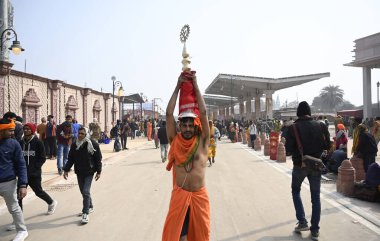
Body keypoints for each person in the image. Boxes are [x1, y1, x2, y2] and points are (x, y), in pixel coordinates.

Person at [162, 73, 210, 241]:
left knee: (199, 237)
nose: (188, 128)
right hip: (180, 196)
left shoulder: (203, 142)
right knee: (180, 238)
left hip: (199, 197)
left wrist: (195, 84)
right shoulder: (175, 141)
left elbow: (203, 113)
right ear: (180, 126)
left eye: (191, 125)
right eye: (185, 125)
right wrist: (177, 86)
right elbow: (168, 114)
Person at [285, 101, 330, 241]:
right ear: (309, 112)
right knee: (315, 197)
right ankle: (315, 229)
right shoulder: (321, 125)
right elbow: (327, 145)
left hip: (300, 165)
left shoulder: (293, 128)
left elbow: (288, 150)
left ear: (298, 113)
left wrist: (299, 151)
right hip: (316, 165)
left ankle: (302, 221)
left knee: (295, 191)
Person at [63, 127, 102, 224]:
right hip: (79, 172)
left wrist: (99, 171)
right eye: (79, 133)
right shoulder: (74, 144)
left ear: (86, 134)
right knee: (83, 192)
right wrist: (66, 169)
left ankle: (85, 213)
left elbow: (98, 159)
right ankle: (90, 206)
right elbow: (71, 158)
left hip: (89, 171)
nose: (80, 135)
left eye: (82, 134)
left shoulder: (93, 144)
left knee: (85, 191)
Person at [18, 123, 58, 215]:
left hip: (34, 173)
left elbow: (42, 157)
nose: (26, 130)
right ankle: (18, 218)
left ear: (32, 130)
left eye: (28, 129)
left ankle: (51, 202)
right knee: (19, 195)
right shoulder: (20, 143)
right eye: (25, 129)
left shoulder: (38, 142)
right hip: (22, 174)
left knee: (38, 192)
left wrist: (35, 168)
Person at [0, 118, 29, 241]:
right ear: (2, 131)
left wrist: (22, 185)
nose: (13, 133)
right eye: (10, 131)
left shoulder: (14, 144)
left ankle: (22, 231)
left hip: (9, 182)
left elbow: (21, 164)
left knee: (13, 207)